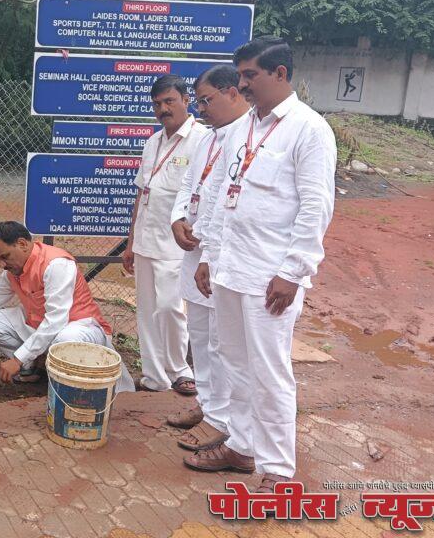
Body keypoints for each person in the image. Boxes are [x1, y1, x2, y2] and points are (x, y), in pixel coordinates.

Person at [185, 36, 336, 492]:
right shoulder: (243, 127)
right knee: (234, 363)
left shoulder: (309, 130)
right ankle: (242, 447)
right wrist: (209, 255)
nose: (243, 84)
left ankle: (278, 471)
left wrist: (293, 272)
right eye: (242, 75)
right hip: (230, 268)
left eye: (250, 75)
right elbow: (218, 197)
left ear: (280, 74)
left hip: (270, 278)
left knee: (269, 373)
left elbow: (315, 206)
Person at [0, 222, 134, 391]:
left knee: (65, 339)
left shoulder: (56, 265)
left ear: (22, 244)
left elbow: (56, 321)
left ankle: (64, 382)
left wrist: (17, 359)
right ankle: (36, 368)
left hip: (81, 329)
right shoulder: (12, 271)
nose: (2, 264)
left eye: (5, 256)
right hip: (43, 327)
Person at [165, 65, 251, 452]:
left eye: (206, 100)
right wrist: (178, 217)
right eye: (198, 101)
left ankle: (223, 419)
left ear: (233, 92)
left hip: (218, 256)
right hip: (193, 250)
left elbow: (228, 198)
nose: (201, 108)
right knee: (200, 336)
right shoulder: (208, 138)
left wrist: (209, 247)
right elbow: (190, 184)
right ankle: (208, 403)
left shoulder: (247, 135)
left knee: (221, 342)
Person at [122, 75, 211, 394]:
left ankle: (179, 370)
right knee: (146, 310)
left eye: (169, 101)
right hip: (146, 239)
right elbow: (141, 194)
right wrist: (131, 243)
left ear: (186, 100)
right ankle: (153, 376)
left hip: (177, 244)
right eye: (157, 104)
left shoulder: (203, 140)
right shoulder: (152, 142)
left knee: (171, 307)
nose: (163, 108)